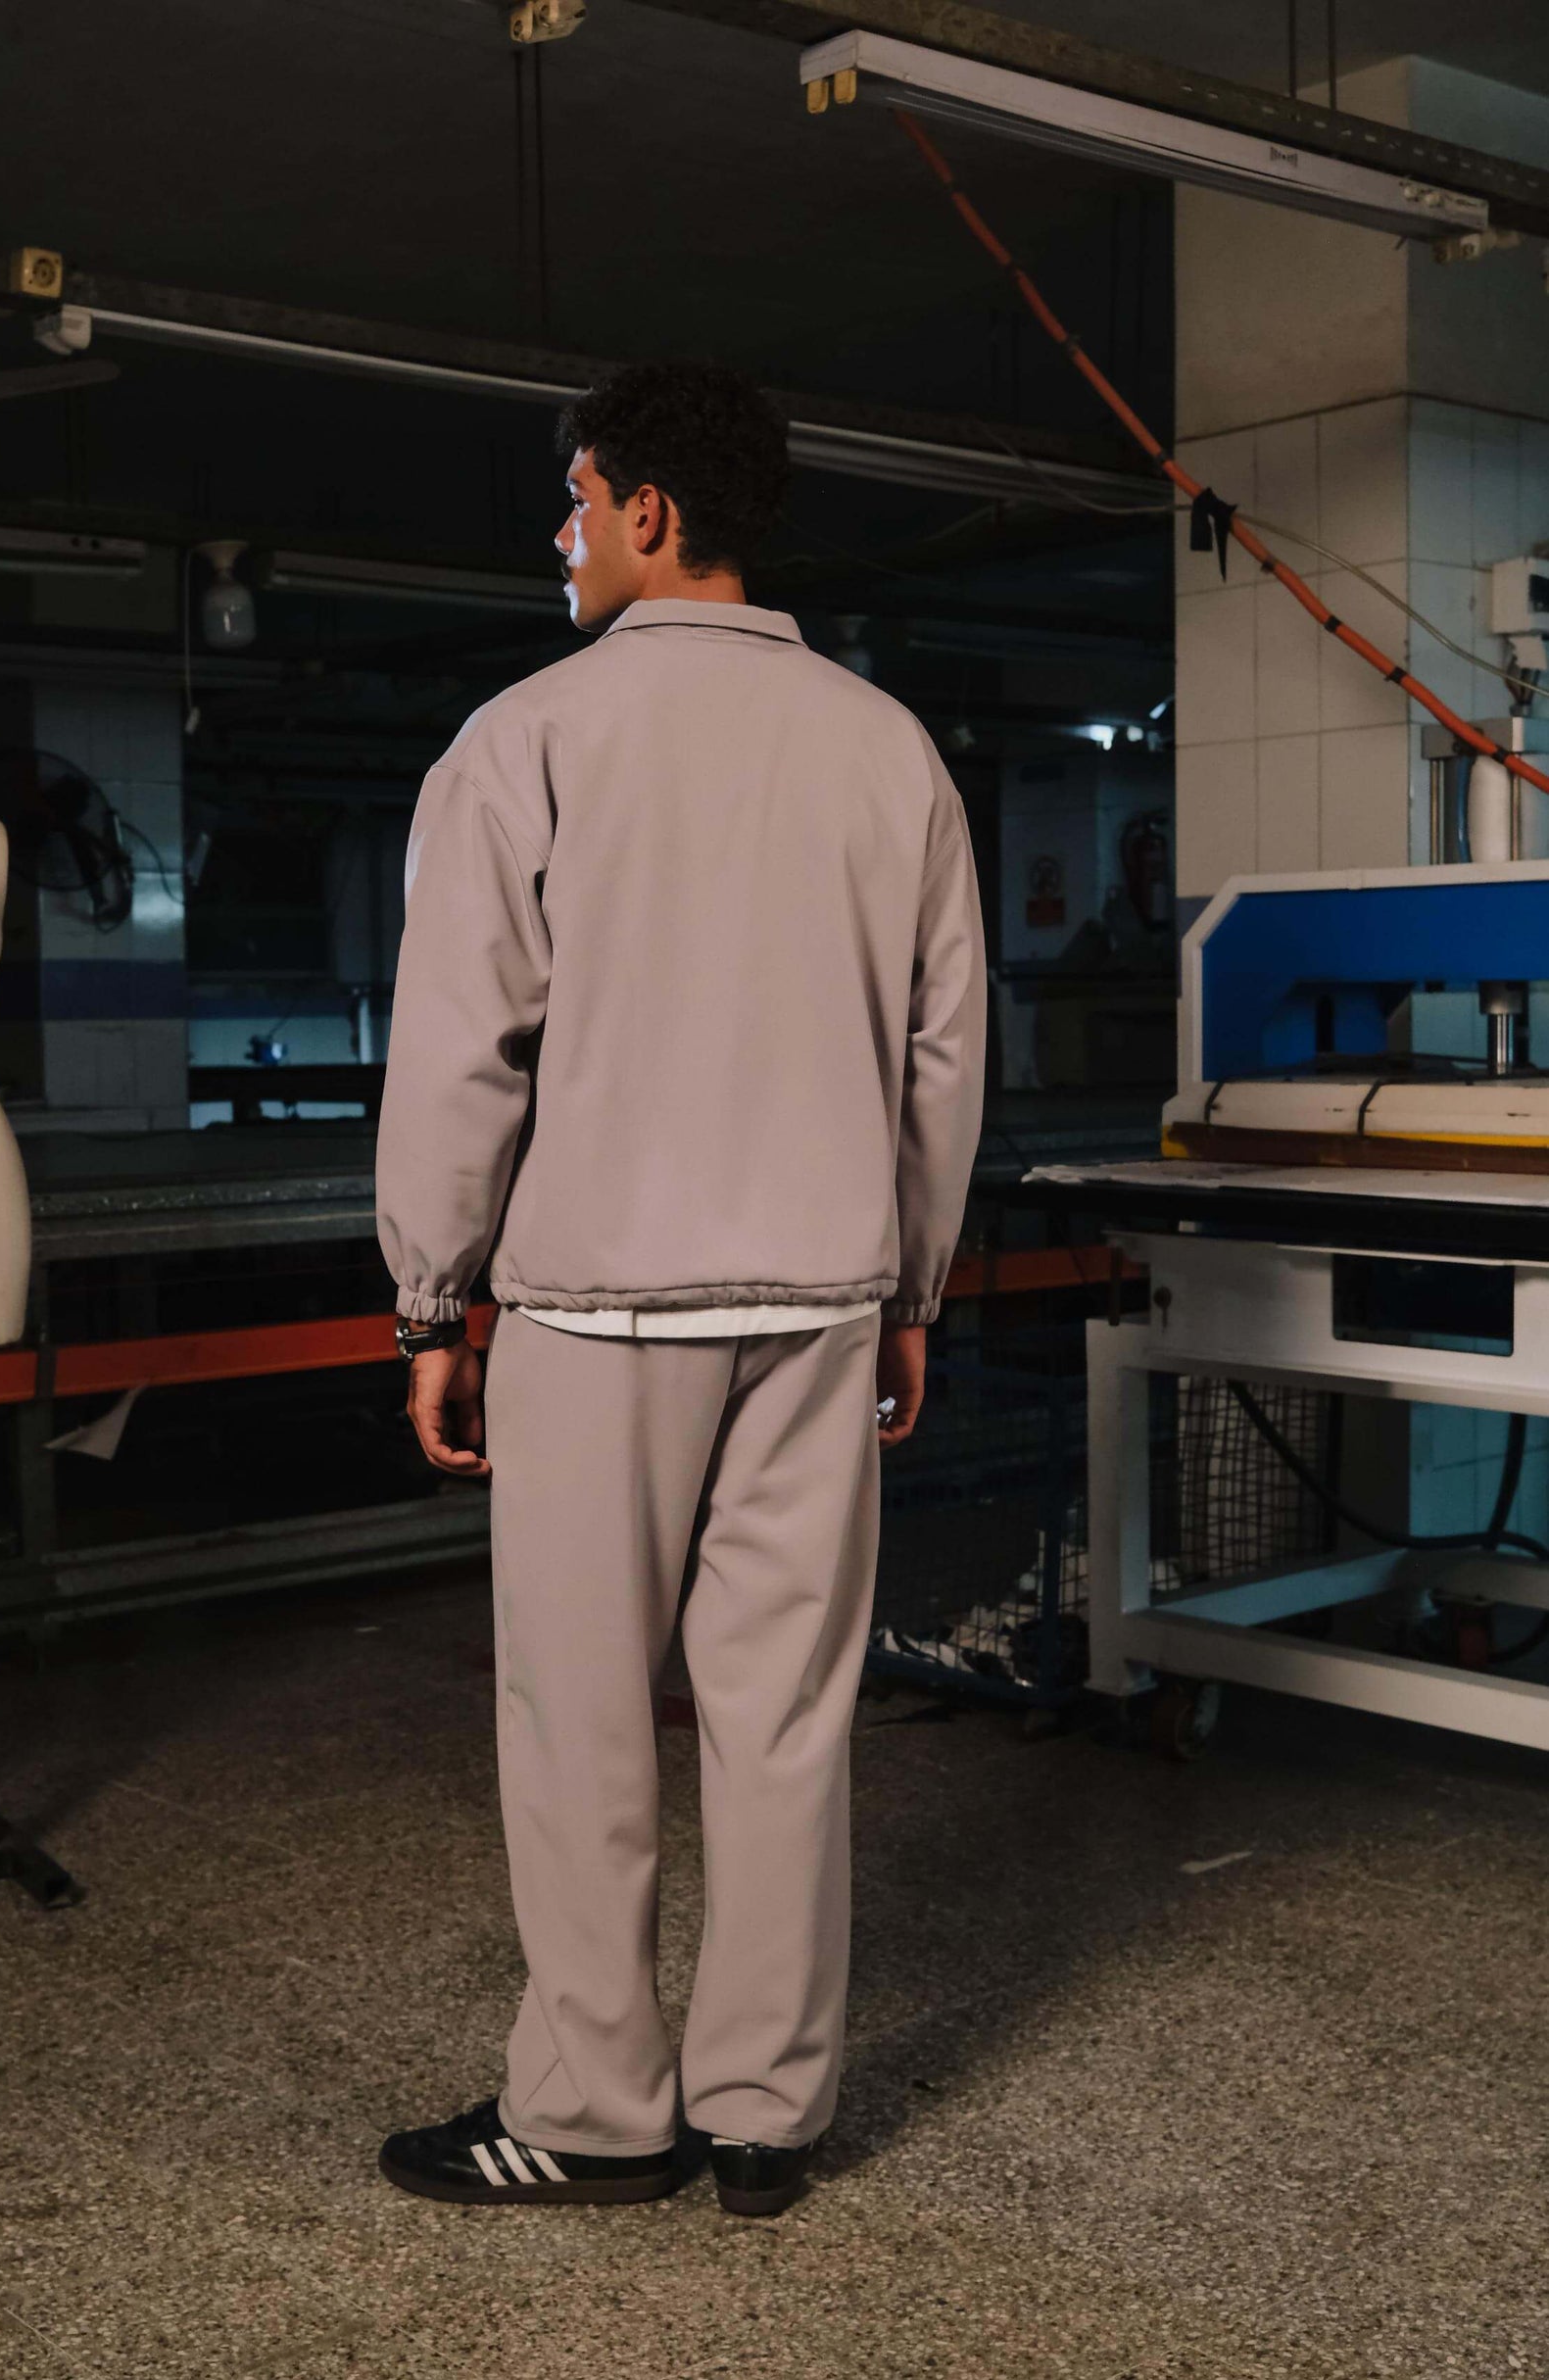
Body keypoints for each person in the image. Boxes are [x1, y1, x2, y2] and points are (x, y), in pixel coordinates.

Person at [372, 361, 986, 2218]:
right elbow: (939, 1052)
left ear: (645, 511)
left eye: (572, 505)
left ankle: (592, 2112)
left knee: (578, 1717)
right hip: (816, 1299)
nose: (559, 542)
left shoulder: (527, 737)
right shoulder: (887, 747)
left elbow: (459, 1049)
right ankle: (766, 2113)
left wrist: (430, 1298)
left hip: (593, 1307)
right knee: (786, 1714)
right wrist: (913, 1287)